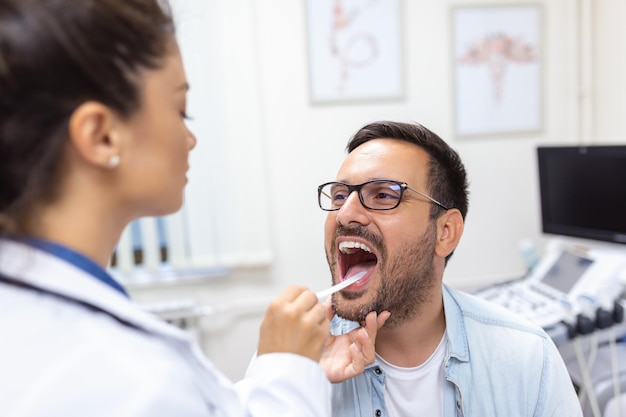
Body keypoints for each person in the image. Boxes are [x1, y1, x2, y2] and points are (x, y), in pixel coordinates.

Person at [0, 1, 385, 416]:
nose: (190, 138)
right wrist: (288, 372)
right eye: (180, 109)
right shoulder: (123, 378)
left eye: (384, 195)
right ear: (101, 135)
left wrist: (294, 370)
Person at [317, 121, 583, 416]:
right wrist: (295, 382)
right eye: (339, 196)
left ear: (445, 232)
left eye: (383, 195)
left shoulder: (529, 359)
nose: (344, 214)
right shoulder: (300, 360)